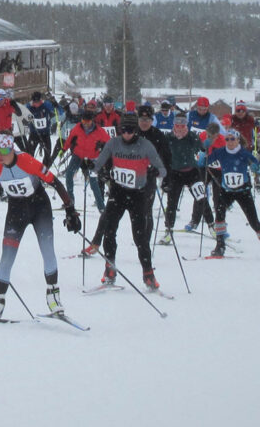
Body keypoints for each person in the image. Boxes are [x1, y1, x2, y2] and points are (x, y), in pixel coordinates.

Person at [0, 133, 80, 320]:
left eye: (4, 151)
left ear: (12, 149)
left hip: (40, 207)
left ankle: (54, 299)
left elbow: (54, 182)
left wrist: (70, 209)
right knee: (6, 256)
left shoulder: (27, 161)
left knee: (47, 250)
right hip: (16, 212)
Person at [91, 112, 167, 290]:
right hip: (117, 192)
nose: (127, 134)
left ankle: (148, 274)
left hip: (137, 195)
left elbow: (162, 169)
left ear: (136, 130)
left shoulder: (145, 145)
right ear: (119, 130)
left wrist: (154, 172)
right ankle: (110, 268)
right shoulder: (113, 143)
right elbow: (98, 163)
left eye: (131, 130)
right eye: (124, 130)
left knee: (140, 238)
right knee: (109, 231)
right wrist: (92, 167)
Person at [204, 128, 260, 261]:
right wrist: (202, 153)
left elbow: (259, 167)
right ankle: (220, 246)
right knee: (219, 216)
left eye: (232, 139)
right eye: (227, 139)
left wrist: (256, 167)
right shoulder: (220, 152)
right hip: (226, 191)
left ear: (238, 140)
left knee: (254, 222)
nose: (229, 142)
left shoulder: (244, 154)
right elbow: (205, 162)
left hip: (243, 192)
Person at [160, 114, 214, 244]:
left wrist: (205, 151)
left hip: (192, 172)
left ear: (186, 126)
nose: (179, 129)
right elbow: (161, 152)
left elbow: (201, 149)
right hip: (175, 174)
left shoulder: (191, 136)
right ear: (174, 125)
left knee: (201, 198)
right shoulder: (168, 137)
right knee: (172, 203)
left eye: (182, 126)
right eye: (177, 126)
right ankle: (168, 230)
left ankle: (212, 226)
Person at [62, 104, 110, 248]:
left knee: (94, 182)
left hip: (92, 157)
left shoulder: (99, 131)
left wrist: (103, 151)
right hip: (78, 155)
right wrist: (64, 149)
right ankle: (70, 201)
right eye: (83, 121)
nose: (85, 124)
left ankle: (102, 208)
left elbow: (109, 144)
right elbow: (70, 139)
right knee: (69, 175)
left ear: (92, 121)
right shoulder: (77, 128)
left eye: (88, 121)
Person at [136, 104, 171, 244]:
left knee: (146, 211)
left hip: (149, 178)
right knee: (136, 213)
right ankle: (139, 237)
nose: (144, 122)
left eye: (147, 120)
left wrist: (166, 178)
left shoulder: (158, 135)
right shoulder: (131, 133)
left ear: (152, 120)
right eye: (142, 119)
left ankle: (145, 242)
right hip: (131, 179)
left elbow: (167, 157)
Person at [24, 91, 56, 166]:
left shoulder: (46, 105)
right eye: (34, 102)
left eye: (38, 101)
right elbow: (21, 111)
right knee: (29, 153)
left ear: (41, 100)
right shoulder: (29, 106)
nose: (36, 104)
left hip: (45, 134)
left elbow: (58, 111)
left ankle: (44, 169)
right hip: (34, 134)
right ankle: (30, 168)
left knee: (48, 153)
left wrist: (55, 104)